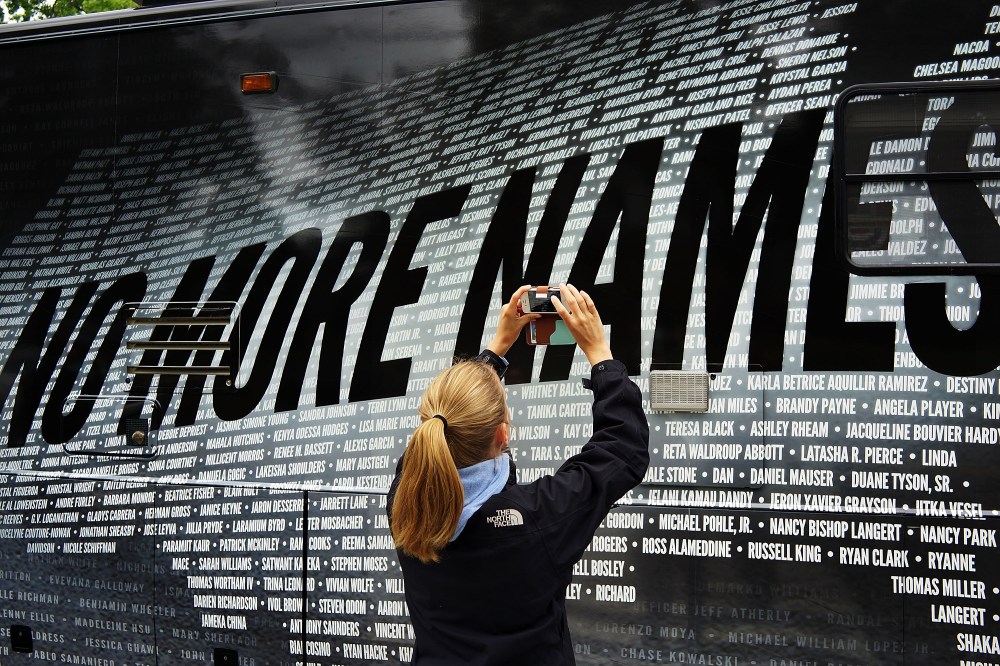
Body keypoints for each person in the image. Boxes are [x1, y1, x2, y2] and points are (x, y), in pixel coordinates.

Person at [387, 284, 650, 665]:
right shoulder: (539, 519)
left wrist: (496, 348)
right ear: (503, 434)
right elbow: (622, 451)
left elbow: (619, 449)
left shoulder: (406, 503)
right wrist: (600, 354)